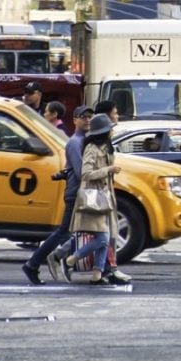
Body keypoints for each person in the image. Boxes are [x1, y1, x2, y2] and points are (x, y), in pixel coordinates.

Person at [23, 105, 92, 285]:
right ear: (75, 120)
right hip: (76, 193)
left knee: (76, 232)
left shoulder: (85, 141)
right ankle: (34, 263)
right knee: (64, 232)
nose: (87, 120)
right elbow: (79, 171)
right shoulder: (75, 142)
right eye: (83, 116)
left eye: (90, 117)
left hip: (80, 192)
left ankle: (57, 261)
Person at [58, 114, 120, 285]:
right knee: (102, 238)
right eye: (110, 129)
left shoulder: (106, 147)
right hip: (94, 198)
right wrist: (108, 170)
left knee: (105, 236)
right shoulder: (92, 148)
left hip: (104, 197)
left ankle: (97, 275)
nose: (112, 132)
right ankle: (71, 259)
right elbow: (86, 174)